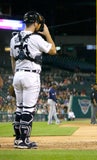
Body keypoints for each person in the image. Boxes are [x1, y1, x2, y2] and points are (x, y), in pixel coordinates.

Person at [10, 11, 56, 149]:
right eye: (39, 23)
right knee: (28, 110)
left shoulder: (14, 39)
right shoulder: (36, 38)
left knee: (19, 109)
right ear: (35, 23)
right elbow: (53, 50)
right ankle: (24, 141)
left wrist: (15, 77)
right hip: (31, 75)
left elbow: (13, 59)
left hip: (17, 74)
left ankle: (18, 139)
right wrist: (47, 33)